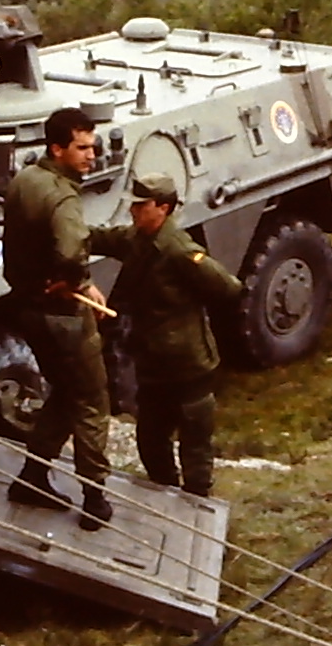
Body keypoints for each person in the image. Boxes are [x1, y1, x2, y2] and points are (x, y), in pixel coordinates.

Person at [90, 173, 246, 499]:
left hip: (188, 365)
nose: (133, 210)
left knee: (194, 443)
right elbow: (98, 238)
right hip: (153, 365)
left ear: (163, 208)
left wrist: (191, 310)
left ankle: (197, 506)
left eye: (141, 205)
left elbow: (228, 287)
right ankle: (164, 495)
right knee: (150, 439)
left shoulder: (179, 250)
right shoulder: (136, 240)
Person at [1, 107, 113, 530]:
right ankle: (95, 500)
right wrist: (79, 282)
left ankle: (32, 478)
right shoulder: (63, 197)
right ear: (57, 148)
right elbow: (70, 250)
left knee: (66, 392)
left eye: (92, 147)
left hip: (27, 306)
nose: (91, 156)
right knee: (91, 401)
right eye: (82, 148)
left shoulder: (25, 180)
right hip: (63, 316)